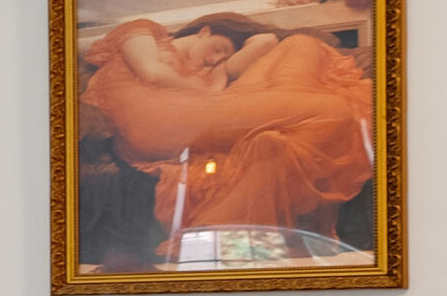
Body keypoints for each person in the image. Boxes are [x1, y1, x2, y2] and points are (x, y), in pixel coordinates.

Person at [77, 15, 373, 257]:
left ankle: (217, 230)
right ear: (204, 31)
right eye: (218, 47)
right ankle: (214, 233)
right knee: (332, 110)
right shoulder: (142, 31)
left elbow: (266, 42)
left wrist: (231, 56)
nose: (217, 58)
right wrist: (205, 90)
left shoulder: (208, 73)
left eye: (225, 55)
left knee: (300, 47)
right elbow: (151, 72)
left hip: (195, 118)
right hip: (155, 118)